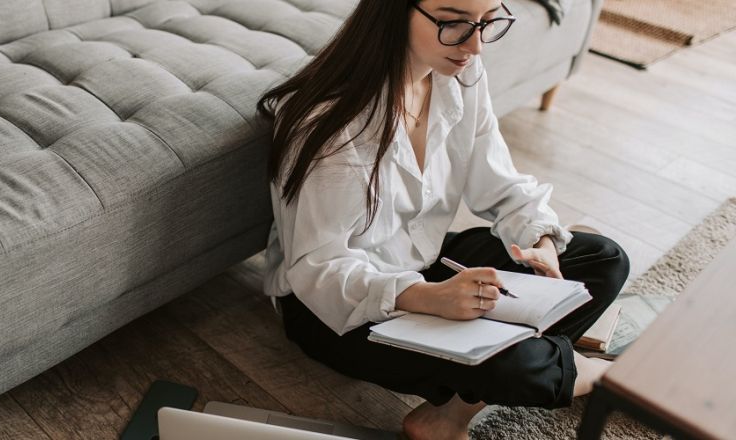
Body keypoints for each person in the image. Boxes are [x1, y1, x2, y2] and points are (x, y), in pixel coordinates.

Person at [256, 1, 631, 439]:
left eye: (486, 23)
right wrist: (428, 298)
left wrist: (539, 244)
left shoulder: (460, 74)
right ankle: (589, 370)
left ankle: (451, 412)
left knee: (603, 260)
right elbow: (319, 269)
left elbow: (500, 183)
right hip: (340, 309)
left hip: (426, 262)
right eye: (453, 23)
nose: (474, 45)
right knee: (524, 369)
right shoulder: (331, 123)